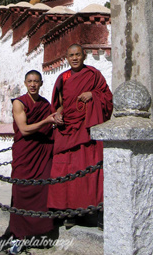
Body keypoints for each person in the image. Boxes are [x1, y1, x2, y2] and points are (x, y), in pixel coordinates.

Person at [47, 44, 113, 226]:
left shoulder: (93, 75)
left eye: (77, 54)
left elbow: (108, 97)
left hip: (87, 129)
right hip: (68, 130)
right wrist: (58, 114)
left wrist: (93, 94)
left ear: (84, 56)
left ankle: (98, 213)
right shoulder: (63, 77)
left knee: (92, 171)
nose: (74, 58)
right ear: (66, 58)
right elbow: (60, 104)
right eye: (71, 55)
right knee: (67, 170)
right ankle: (70, 212)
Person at [8, 70, 56, 254]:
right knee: (20, 192)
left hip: (42, 153)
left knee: (41, 191)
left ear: (41, 83)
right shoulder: (19, 103)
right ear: (25, 83)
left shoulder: (45, 104)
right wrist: (46, 121)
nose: (33, 84)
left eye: (36, 81)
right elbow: (24, 129)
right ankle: (18, 237)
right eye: (30, 81)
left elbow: (55, 117)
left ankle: (37, 233)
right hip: (25, 153)